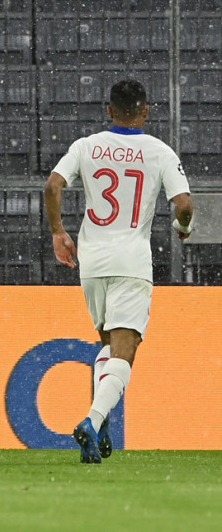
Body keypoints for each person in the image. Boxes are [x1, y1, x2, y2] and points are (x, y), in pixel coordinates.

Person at [45, 79, 193, 464]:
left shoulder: (86, 146)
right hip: (130, 260)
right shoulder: (159, 151)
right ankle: (93, 420)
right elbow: (184, 203)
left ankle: (103, 418)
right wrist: (183, 227)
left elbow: (53, 185)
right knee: (125, 351)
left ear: (109, 110)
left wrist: (59, 232)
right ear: (146, 111)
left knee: (108, 346)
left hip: (92, 261)